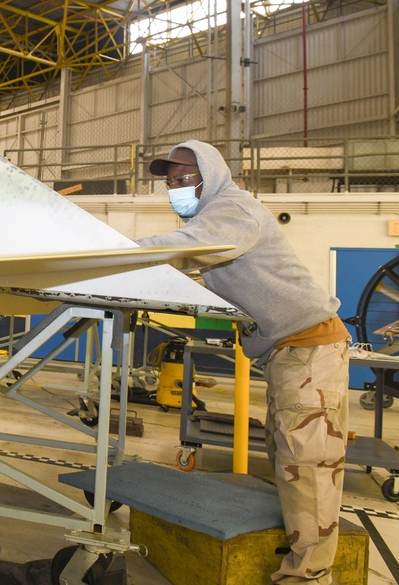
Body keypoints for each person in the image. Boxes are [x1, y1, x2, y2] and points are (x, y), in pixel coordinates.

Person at [138, 139, 350, 585]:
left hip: (308, 348)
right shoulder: (219, 220)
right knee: (287, 457)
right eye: (171, 181)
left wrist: (108, 249)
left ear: (210, 175)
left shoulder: (234, 210)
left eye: (185, 178)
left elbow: (189, 245)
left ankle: (308, 578)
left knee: (305, 467)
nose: (176, 187)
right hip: (286, 353)